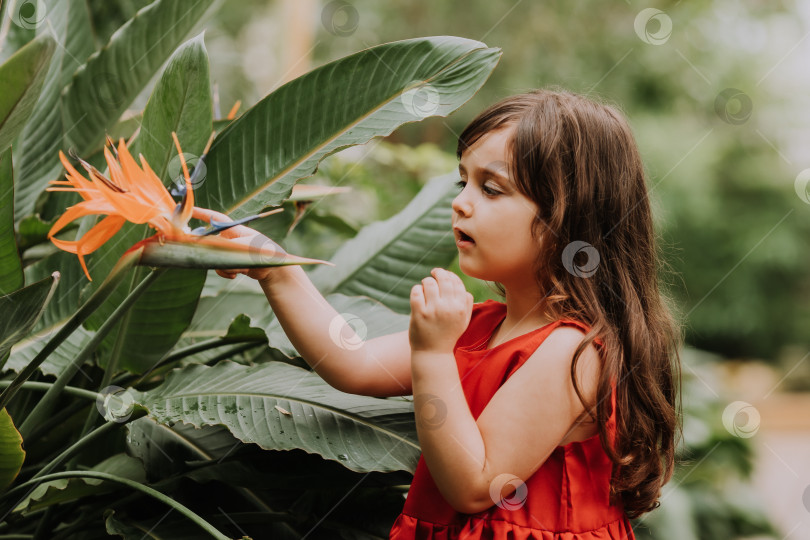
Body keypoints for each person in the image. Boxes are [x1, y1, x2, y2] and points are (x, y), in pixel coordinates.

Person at [207, 88, 683, 539]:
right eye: (464, 181)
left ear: (569, 218)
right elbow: (349, 361)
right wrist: (274, 268)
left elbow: (475, 484)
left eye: (491, 189)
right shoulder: (481, 326)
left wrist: (433, 353)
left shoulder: (572, 352)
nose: (459, 202)